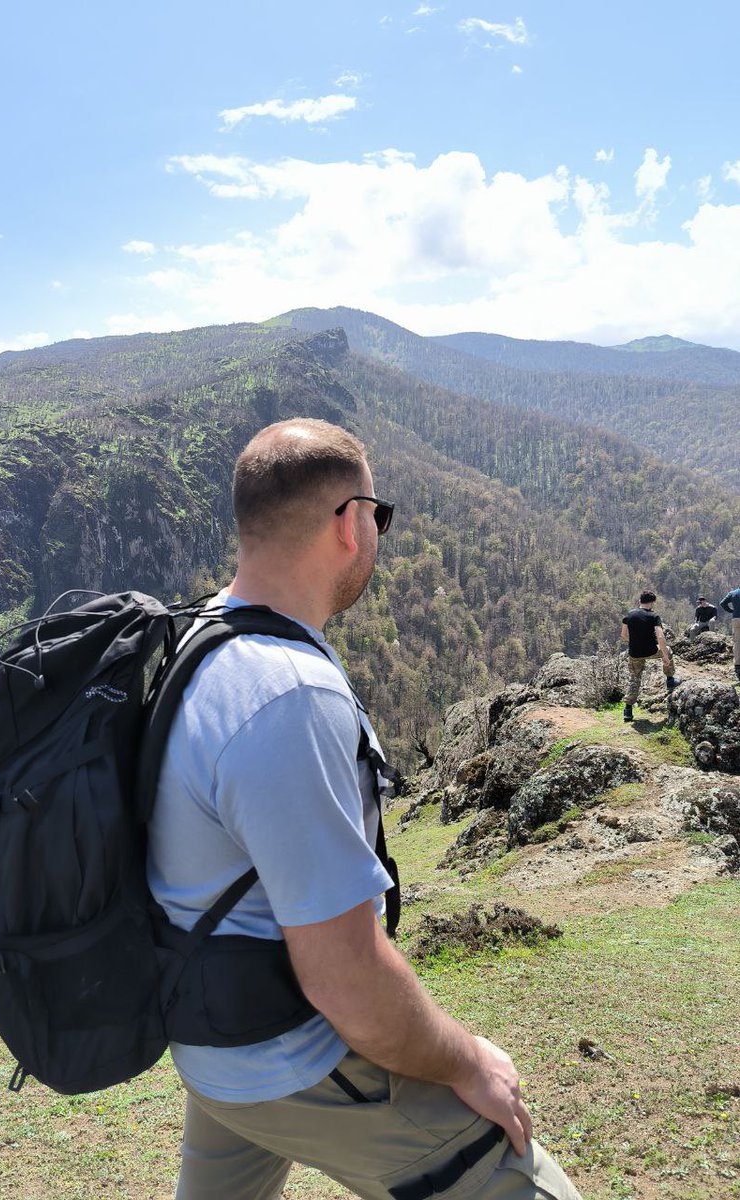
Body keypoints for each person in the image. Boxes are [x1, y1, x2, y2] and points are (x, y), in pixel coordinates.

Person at [148, 418, 581, 1200]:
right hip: (292, 1057)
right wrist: (469, 1062)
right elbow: (346, 979)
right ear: (350, 523)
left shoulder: (197, 637)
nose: (377, 533)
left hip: (211, 1047)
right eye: (377, 515)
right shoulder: (287, 696)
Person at [620, 590, 680, 722]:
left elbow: (623, 636)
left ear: (640, 601)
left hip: (634, 653)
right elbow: (660, 636)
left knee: (634, 678)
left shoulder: (629, 615)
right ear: (652, 603)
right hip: (651, 651)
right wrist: (664, 655)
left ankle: (628, 711)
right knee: (668, 651)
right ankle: (670, 680)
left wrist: (635, 641)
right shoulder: (654, 616)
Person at [719, 584, 740, 683]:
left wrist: (732, 610)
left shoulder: (733, 593)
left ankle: (738, 665)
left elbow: (722, 603)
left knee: (737, 642)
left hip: (736, 619)